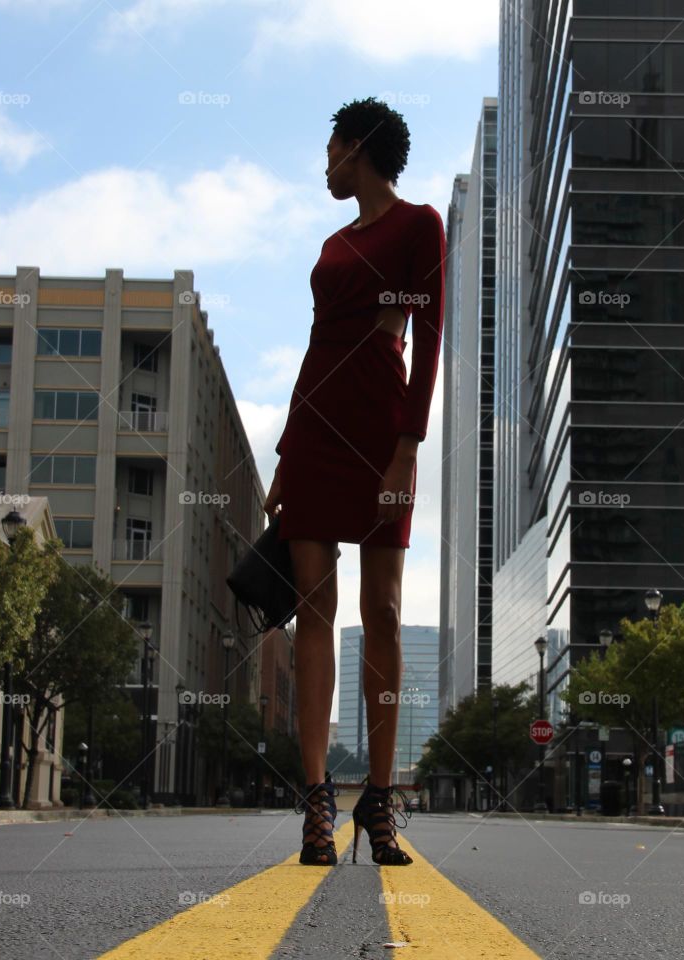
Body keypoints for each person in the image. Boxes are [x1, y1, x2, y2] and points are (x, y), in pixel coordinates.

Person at [264, 97, 446, 866]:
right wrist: (284, 452)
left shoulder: (420, 225)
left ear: (357, 147)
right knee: (313, 609)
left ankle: (378, 800)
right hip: (317, 431)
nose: (324, 161)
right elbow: (314, 347)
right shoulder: (333, 241)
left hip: (380, 430)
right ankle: (315, 802)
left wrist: (408, 448)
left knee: (384, 608)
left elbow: (427, 336)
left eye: (331, 146)